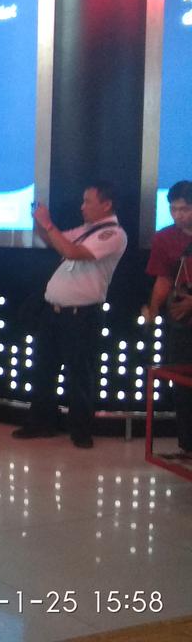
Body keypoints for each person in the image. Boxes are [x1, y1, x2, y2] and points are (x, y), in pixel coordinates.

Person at [12, 183, 127, 449]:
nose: (82, 206)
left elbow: (73, 252)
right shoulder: (86, 230)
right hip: (53, 314)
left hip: (81, 316)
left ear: (106, 204)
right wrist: (41, 224)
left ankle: (81, 430)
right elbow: (55, 242)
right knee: (43, 370)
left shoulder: (113, 233)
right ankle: (41, 422)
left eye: (87, 201)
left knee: (80, 374)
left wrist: (48, 223)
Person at [144, 181, 192, 459]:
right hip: (180, 322)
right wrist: (153, 309)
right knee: (181, 382)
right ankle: (187, 444)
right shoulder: (164, 238)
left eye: (184, 209)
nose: (179, 215)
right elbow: (162, 279)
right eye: (173, 209)